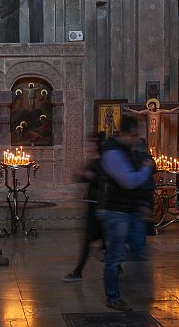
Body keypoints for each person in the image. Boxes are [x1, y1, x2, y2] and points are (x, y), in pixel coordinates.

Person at [96, 115, 155, 312]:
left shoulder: (127, 150)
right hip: (115, 211)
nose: (136, 138)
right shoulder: (112, 153)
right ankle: (113, 297)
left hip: (130, 210)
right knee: (115, 257)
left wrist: (142, 204)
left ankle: (136, 288)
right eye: (134, 135)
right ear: (124, 133)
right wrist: (146, 170)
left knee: (138, 250)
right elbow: (128, 181)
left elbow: (133, 184)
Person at [63, 132, 106, 282]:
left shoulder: (102, 161)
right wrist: (81, 174)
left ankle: (78, 272)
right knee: (100, 239)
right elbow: (82, 177)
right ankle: (115, 266)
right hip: (92, 203)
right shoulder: (93, 160)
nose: (88, 146)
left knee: (89, 240)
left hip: (98, 205)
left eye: (91, 143)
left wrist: (88, 175)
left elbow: (100, 179)